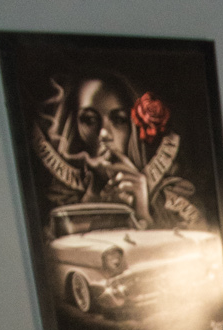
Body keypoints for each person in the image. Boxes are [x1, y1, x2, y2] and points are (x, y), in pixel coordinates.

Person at [33, 71, 204, 229]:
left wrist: (142, 212)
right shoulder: (56, 199)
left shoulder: (169, 198)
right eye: (89, 120)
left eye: (119, 120)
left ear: (134, 128)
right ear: (73, 126)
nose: (104, 134)